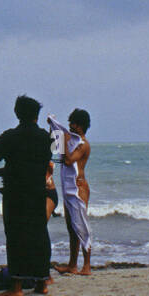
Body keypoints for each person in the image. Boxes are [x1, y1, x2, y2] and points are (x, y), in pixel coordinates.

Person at [0, 95, 53, 296]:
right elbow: (56, 156)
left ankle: (16, 287)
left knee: (16, 236)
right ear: (37, 115)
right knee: (39, 235)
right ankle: (42, 283)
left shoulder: (10, 136)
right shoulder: (46, 137)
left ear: (17, 114)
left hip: (15, 193)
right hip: (37, 192)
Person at [49, 110, 92, 274]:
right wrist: (54, 130)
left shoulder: (83, 144)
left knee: (81, 225)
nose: (70, 127)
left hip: (79, 187)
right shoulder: (72, 142)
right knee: (71, 227)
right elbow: (55, 149)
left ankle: (86, 265)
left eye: (72, 124)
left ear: (79, 126)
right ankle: (72, 264)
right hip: (69, 188)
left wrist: (66, 141)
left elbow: (68, 160)